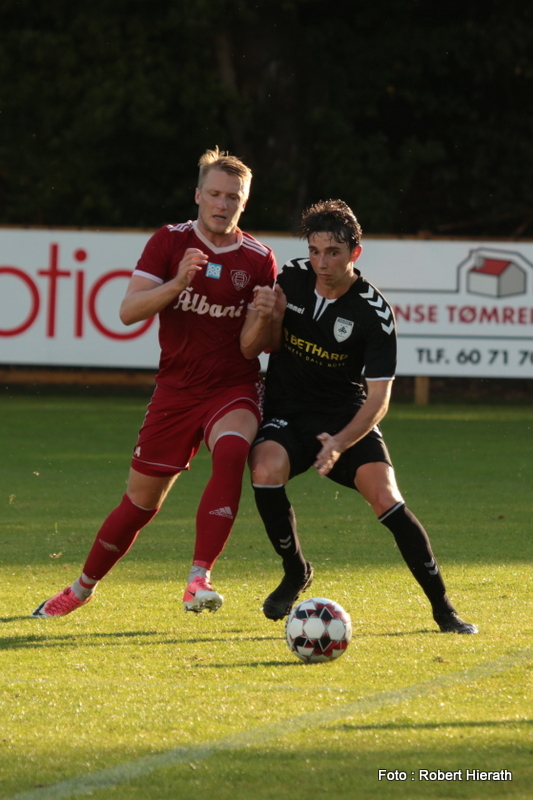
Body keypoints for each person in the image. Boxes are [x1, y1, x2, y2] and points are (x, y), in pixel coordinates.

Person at [32, 147, 280, 618]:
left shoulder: (259, 258)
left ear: (244, 202)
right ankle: (81, 589)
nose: (222, 204)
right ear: (198, 195)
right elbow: (129, 311)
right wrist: (176, 284)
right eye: (214, 194)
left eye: (233, 197)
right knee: (139, 504)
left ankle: (198, 578)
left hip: (233, 386)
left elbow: (254, 349)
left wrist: (267, 319)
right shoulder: (169, 241)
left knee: (232, 452)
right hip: (176, 391)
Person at [249, 199, 478, 634]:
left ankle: (444, 609)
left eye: (333, 253)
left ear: (355, 252)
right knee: (264, 470)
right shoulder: (291, 277)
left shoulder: (374, 312)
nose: (321, 263)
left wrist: (340, 442)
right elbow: (267, 342)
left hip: (345, 416)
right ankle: (296, 570)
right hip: (288, 411)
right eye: (315, 251)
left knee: (386, 497)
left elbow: (379, 400)